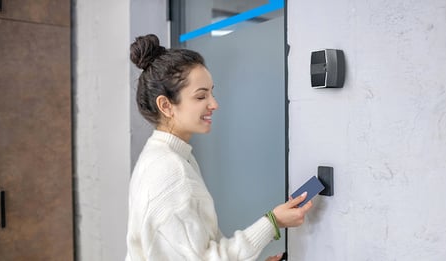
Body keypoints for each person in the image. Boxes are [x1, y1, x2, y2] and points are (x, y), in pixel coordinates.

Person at [126, 34, 313, 261]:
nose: (214, 104)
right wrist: (273, 222)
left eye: (212, 92)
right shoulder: (170, 171)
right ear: (166, 105)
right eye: (201, 96)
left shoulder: (163, 157)